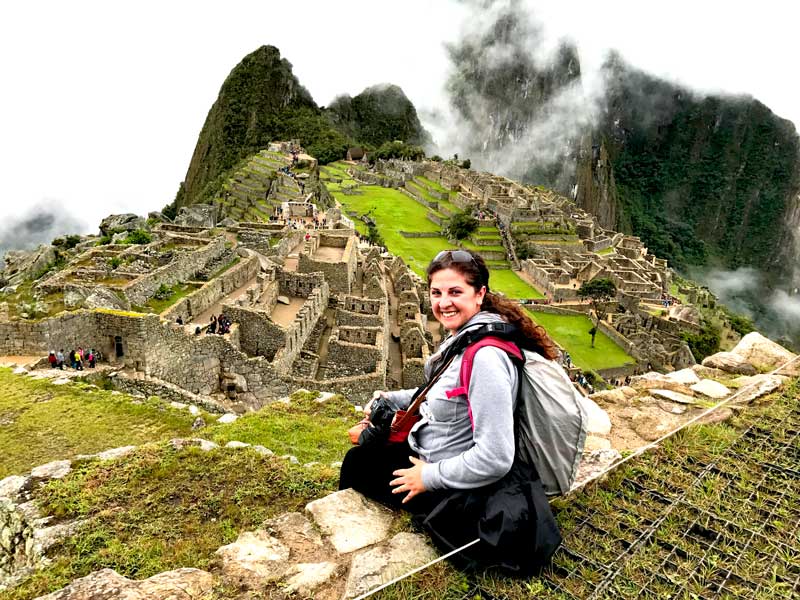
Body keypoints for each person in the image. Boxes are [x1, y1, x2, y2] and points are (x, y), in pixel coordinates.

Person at [339, 249, 562, 573]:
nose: (444, 302)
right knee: (367, 451)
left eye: (455, 292)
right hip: (436, 451)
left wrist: (426, 477)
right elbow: (442, 396)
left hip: (456, 479)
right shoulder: (470, 337)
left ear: (479, 293)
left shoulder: (486, 359)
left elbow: (497, 456)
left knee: (358, 463)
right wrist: (390, 398)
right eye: (437, 292)